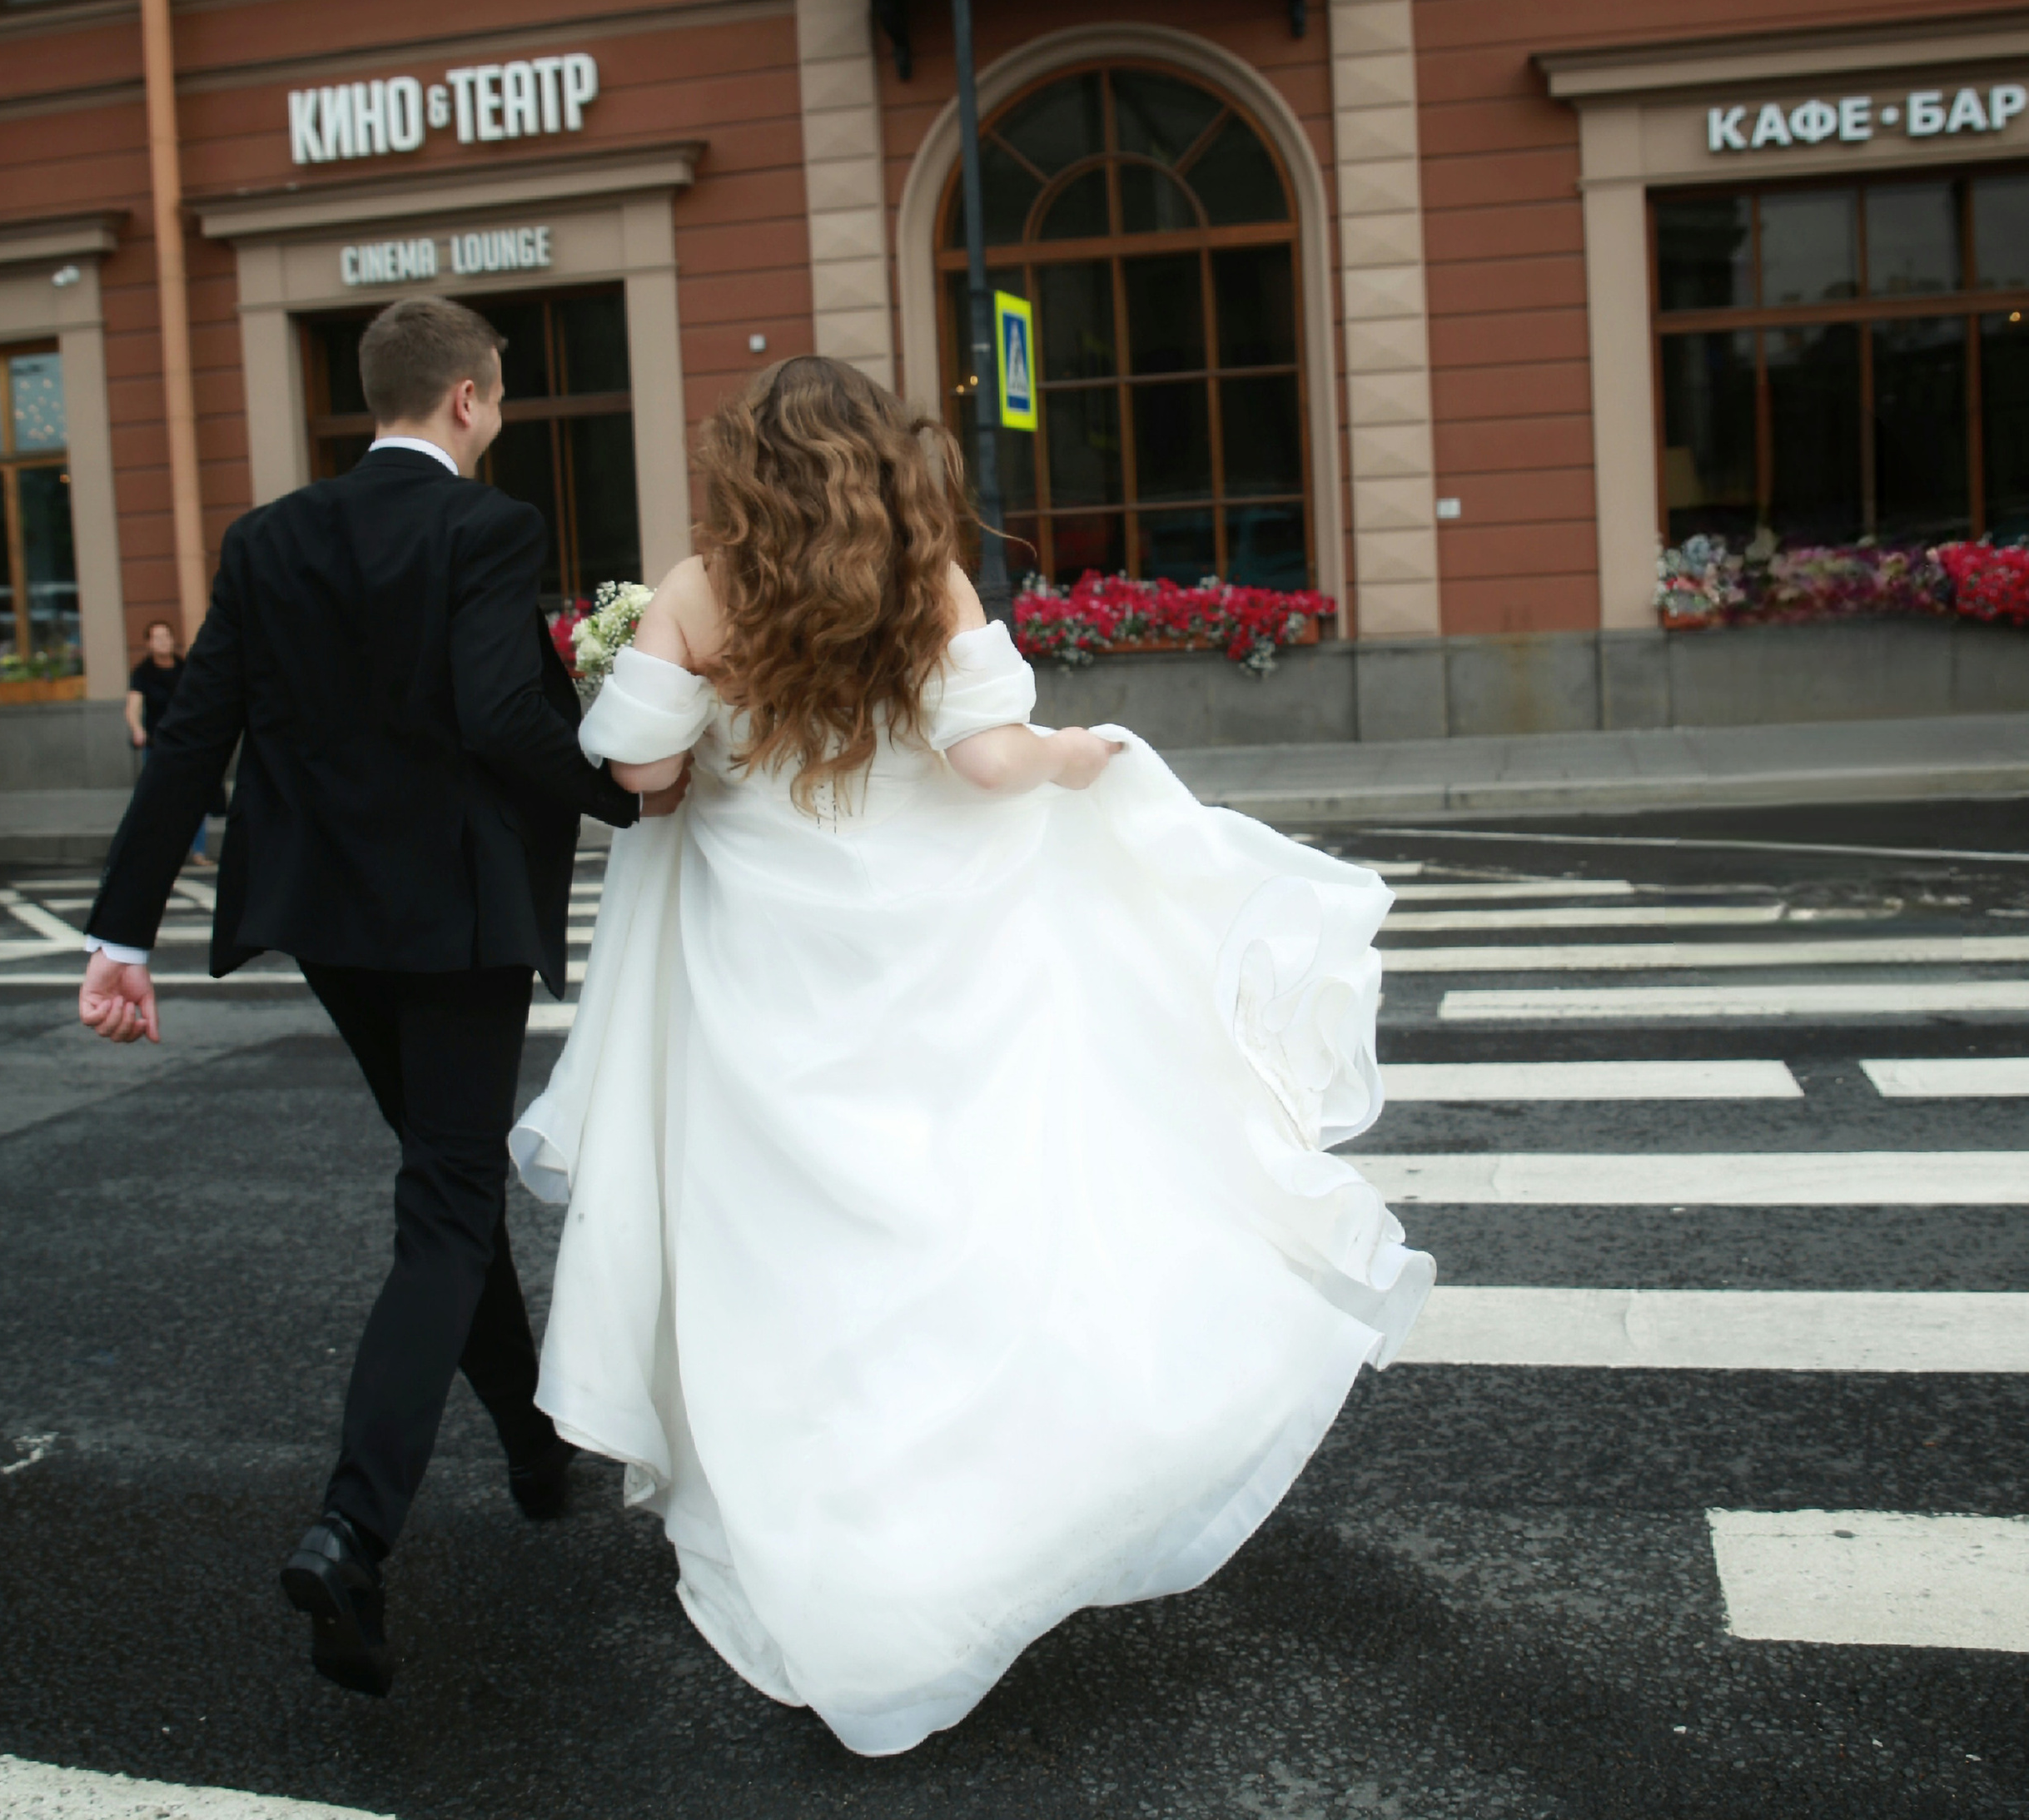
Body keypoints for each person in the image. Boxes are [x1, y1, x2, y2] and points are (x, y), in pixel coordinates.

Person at [512, 356, 1434, 1757]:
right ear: (881, 461)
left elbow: (637, 782)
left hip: (766, 973)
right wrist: (1083, 758)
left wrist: (679, 716)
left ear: (744, 469)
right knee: (952, 1215)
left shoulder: (698, 594)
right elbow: (989, 764)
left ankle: (829, 1518)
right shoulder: (925, 580)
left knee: (791, 1254)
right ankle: (980, 1505)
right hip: (926, 965)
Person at [75, 295, 684, 1699]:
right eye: (504, 396)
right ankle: (354, 1525)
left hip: (331, 925)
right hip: (455, 922)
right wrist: (633, 798)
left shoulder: (267, 538)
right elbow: (497, 714)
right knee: (447, 1204)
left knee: (444, 1182)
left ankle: (535, 1456)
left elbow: (192, 739)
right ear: (467, 400)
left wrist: (122, 936)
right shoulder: (489, 529)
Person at [126, 619, 213, 866]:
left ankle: (198, 851)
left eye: (167, 636)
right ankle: (160, 853)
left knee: (194, 797)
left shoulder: (186, 668)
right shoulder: (143, 673)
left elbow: (201, 700)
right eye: (157, 637)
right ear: (148, 643)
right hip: (158, 745)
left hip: (187, 743)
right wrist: (137, 729)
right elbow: (132, 707)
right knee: (158, 800)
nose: (163, 641)